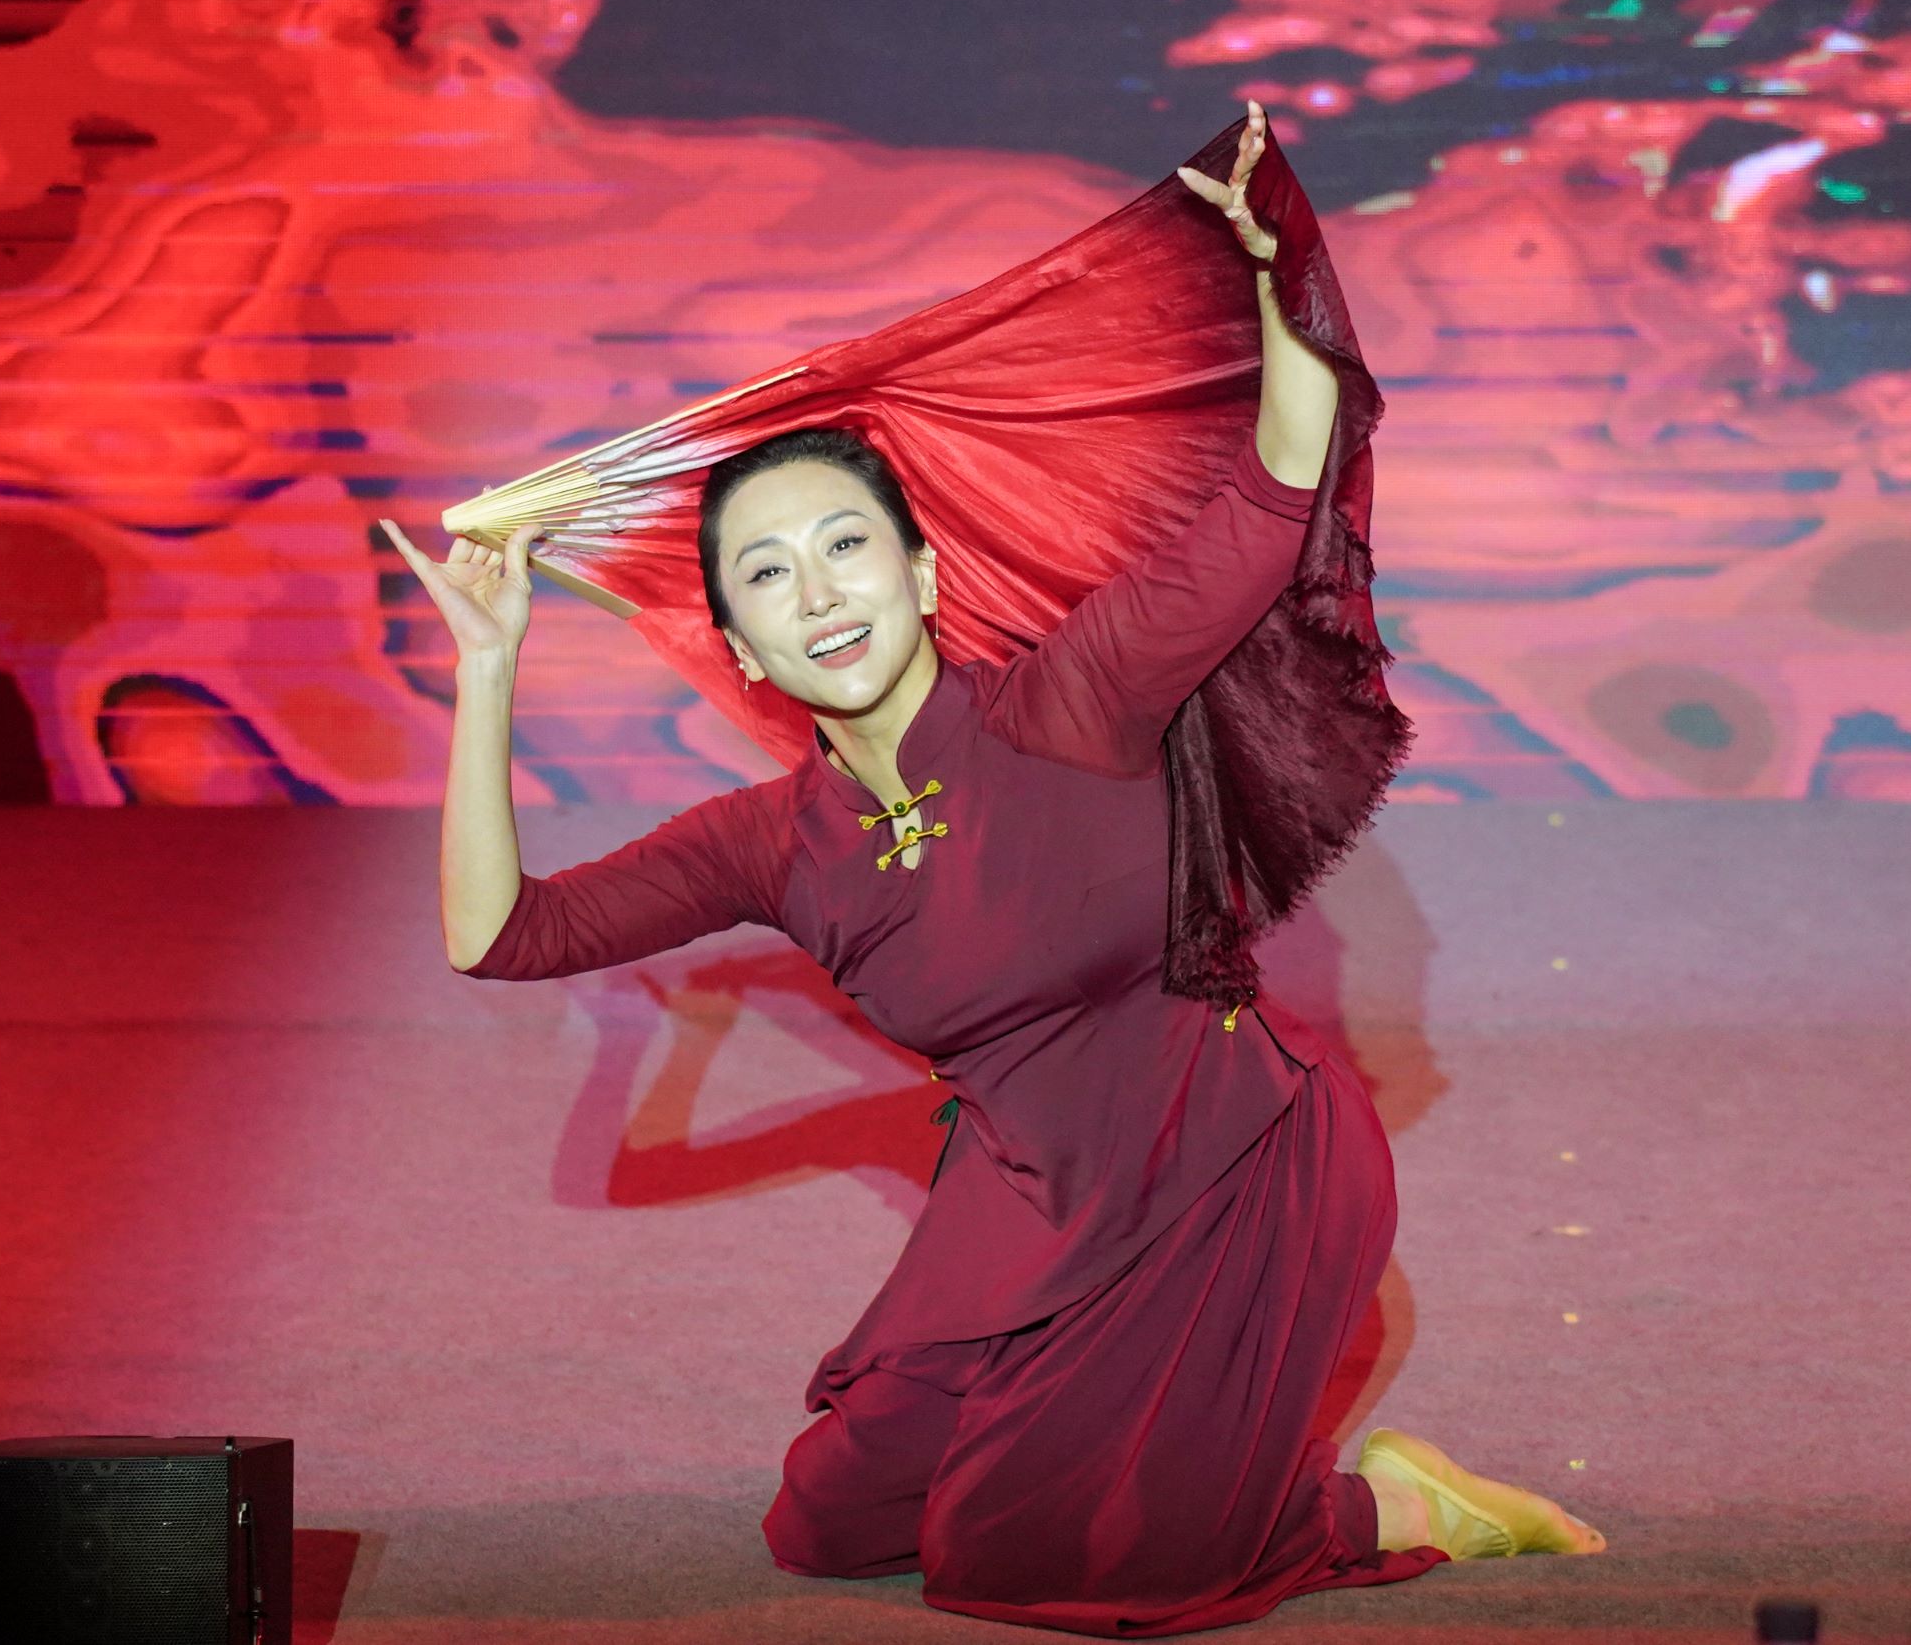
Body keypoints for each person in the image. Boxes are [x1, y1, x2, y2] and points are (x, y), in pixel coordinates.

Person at [379, 110, 1600, 1635]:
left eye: (846, 547)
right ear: (740, 646)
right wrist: (488, 667)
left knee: (1037, 1554)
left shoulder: (1070, 703)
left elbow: (1273, 490)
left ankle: (1392, 1498)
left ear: (920, 572)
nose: (818, 594)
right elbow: (499, 932)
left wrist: (1279, 278)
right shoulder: (771, 838)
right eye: (767, 574)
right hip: (1025, 1206)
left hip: (1224, 1167)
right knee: (828, 1523)